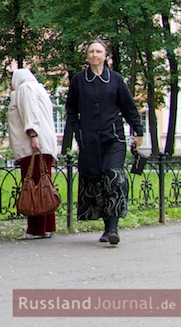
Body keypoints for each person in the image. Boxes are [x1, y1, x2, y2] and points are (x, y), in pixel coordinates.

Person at [64, 39, 144, 245]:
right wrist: (77, 129)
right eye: (91, 51)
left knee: (114, 178)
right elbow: (71, 108)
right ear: (87, 56)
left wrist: (139, 131)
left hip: (113, 139)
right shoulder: (79, 81)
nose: (94, 55)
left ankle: (113, 228)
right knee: (97, 182)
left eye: (98, 51)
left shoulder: (115, 79)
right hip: (89, 140)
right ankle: (106, 227)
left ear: (105, 55)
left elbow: (128, 107)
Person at [8, 68, 59, 240]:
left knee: (34, 187)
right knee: (44, 186)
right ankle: (48, 226)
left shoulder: (25, 88)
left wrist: (33, 134)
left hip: (33, 147)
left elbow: (30, 113)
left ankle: (37, 229)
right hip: (44, 145)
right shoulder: (39, 89)